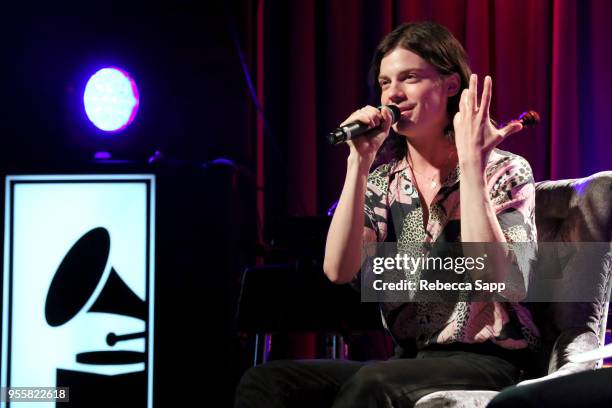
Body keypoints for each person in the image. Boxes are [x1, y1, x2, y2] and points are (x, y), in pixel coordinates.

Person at [235, 21, 539, 408]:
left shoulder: (504, 170)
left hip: (492, 359)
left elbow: (496, 278)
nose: (393, 94)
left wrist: (472, 166)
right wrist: (358, 163)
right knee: (267, 382)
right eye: (384, 82)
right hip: (410, 359)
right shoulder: (385, 182)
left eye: (409, 78)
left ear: (449, 85)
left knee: (374, 384)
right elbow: (338, 271)